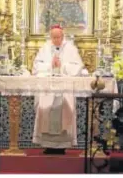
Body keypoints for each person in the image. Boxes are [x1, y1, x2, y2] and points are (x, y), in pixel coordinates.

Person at [32, 24, 84, 154]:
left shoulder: (70, 48)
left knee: (63, 112)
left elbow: (77, 66)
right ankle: (47, 144)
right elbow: (37, 65)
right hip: (48, 87)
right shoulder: (45, 48)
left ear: (63, 36)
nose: (56, 40)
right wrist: (50, 65)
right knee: (46, 111)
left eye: (58, 37)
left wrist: (63, 66)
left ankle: (62, 145)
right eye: (53, 37)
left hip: (64, 87)